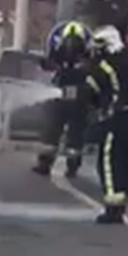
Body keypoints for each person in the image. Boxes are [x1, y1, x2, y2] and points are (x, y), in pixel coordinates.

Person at [83, 25, 128, 226]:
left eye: (98, 46)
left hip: (117, 119)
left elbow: (89, 92)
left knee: (108, 161)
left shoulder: (104, 66)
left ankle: (114, 209)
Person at [33, 20, 92, 178]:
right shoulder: (64, 57)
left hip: (71, 97)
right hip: (66, 96)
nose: (71, 49)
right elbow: (46, 64)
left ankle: (55, 163)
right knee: (60, 131)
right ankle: (56, 163)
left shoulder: (85, 61)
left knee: (62, 131)